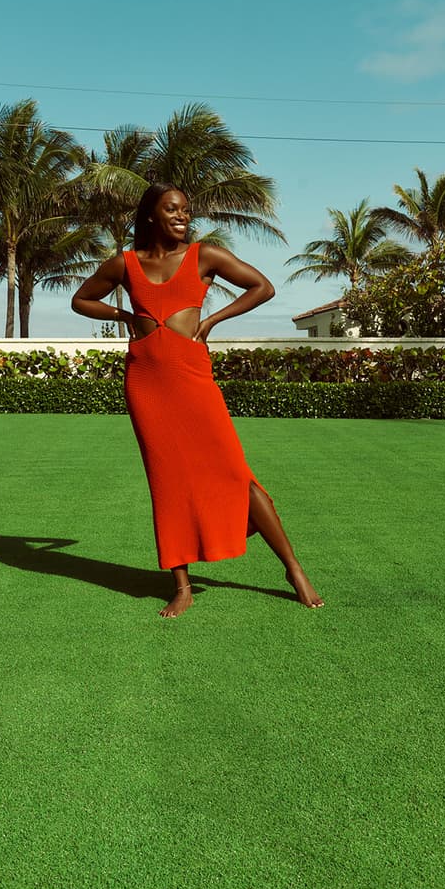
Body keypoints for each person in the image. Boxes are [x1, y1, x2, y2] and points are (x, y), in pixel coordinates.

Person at [71, 182, 324, 618]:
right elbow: (81, 299)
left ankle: (294, 569)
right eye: (172, 209)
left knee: (234, 473)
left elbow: (262, 287)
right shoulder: (126, 264)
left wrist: (213, 320)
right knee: (166, 483)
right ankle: (182, 586)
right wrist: (124, 314)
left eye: (186, 210)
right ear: (152, 214)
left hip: (192, 377)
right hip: (146, 380)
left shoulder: (204, 256)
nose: (182, 216)